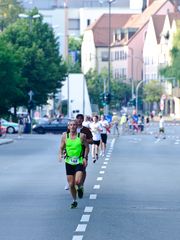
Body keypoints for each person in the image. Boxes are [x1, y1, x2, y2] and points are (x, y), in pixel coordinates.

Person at [59, 120, 89, 208]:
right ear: (68, 127)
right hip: (68, 162)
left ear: (77, 126)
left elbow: (87, 147)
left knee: (77, 181)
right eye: (71, 125)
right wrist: (60, 154)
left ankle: (80, 187)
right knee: (71, 184)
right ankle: (74, 200)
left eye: (74, 125)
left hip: (79, 161)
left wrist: (85, 157)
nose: (72, 126)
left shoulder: (81, 136)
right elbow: (61, 147)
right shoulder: (65, 136)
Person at [76, 114, 93, 197]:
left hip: (83, 152)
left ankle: (81, 185)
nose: (79, 120)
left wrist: (84, 141)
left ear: (83, 120)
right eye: (77, 118)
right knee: (72, 168)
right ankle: (71, 183)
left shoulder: (86, 130)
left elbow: (92, 140)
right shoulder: (72, 128)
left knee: (83, 169)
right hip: (72, 153)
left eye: (80, 119)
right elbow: (66, 140)